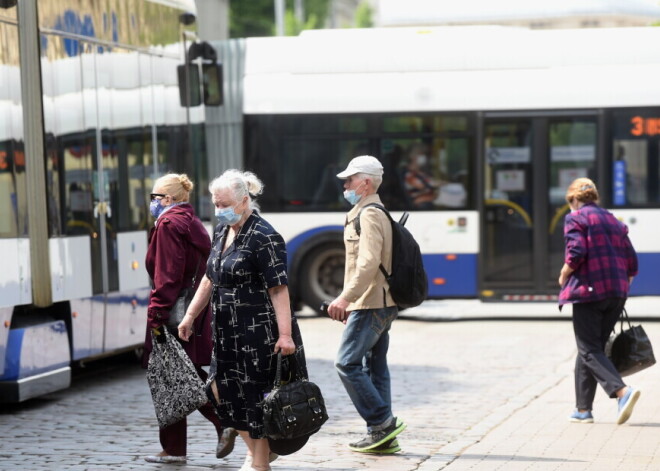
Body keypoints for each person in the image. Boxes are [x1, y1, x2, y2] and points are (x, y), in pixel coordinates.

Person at [178, 169, 303, 471]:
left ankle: (259, 463)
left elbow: (278, 289)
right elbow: (210, 278)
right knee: (219, 391)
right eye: (216, 204)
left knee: (253, 400)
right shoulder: (221, 232)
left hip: (259, 333)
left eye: (224, 204)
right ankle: (259, 453)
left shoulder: (265, 236)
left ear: (244, 200)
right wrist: (190, 315)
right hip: (226, 333)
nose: (219, 210)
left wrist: (285, 335)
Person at [142, 173, 237, 464]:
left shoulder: (169, 225)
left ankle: (222, 421)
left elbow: (167, 274)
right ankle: (175, 447)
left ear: (168, 199)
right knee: (180, 373)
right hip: (191, 310)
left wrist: (156, 312)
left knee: (175, 376)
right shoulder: (192, 222)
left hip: (172, 313)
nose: (153, 203)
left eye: (154, 198)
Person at [327, 155, 406, 454]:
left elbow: (369, 262)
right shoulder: (372, 211)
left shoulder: (369, 214)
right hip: (379, 302)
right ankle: (383, 438)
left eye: (349, 180)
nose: (345, 185)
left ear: (366, 183)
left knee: (346, 363)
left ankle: (382, 422)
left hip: (370, 303)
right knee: (375, 367)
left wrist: (346, 298)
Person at [558, 178, 641, 425]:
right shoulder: (613, 220)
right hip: (616, 292)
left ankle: (622, 392)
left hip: (589, 292)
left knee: (589, 348)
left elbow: (576, 251)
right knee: (591, 348)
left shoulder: (576, 218)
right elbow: (632, 261)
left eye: (570, 203)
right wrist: (622, 285)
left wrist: (563, 274)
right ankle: (583, 409)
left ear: (574, 199)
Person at [403, 143, 440, 209]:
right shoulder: (409, 175)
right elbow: (429, 185)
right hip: (422, 206)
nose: (423, 156)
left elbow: (432, 182)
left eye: (424, 154)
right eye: (420, 153)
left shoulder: (420, 173)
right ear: (411, 155)